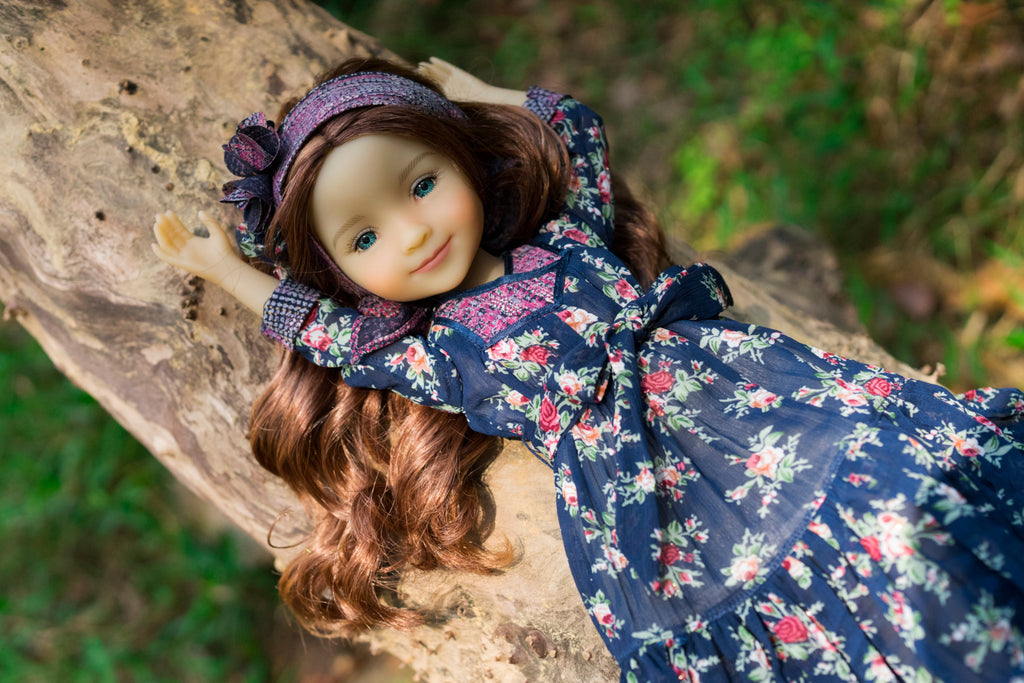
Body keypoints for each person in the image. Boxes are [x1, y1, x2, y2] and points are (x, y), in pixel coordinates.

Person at [153, 56, 1024, 682]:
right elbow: (331, 337)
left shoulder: (560, 237)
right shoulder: (438, 350)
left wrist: (483, 93)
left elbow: (579, 138)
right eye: (366, 238)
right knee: (760, 596)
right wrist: (228, 271)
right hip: (638, 480)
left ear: (460, 158)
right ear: (345, 275)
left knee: (879, 477)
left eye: (420, 184)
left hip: (731, 380)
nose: (414, 233)